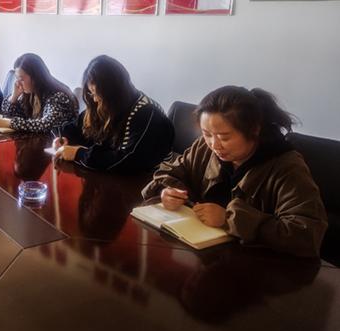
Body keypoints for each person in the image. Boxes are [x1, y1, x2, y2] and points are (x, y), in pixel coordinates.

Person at [142, 86, 328, 257]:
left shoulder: (286, 167)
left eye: (224, 137)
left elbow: (306, 235)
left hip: (258, 266)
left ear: (254, 130)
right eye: (207, 134)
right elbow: (168, 173)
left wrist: (228, 219)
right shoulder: (205, 147)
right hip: (201, 253)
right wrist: (168, 192)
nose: (214, 144)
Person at [52, 55, 174, 172]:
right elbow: (78, 126)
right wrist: (63, 138)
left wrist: (79, 154)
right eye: (91, 93)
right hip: (112, 177)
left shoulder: (148, 114)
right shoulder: (110, 105)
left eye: (97, 93)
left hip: (148, 179)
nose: (95, 99)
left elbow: (126, 162)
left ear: (112, 93)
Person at [0, 53, 77, 133]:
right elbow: (9, 114)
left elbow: (45, 125)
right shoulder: (31, 93)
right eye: (17, 78)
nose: (18, 83)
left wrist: (11, 123)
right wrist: (14, 97)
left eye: (21, 79)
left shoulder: (58, 96)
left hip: (59, 143)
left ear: (35, 77)